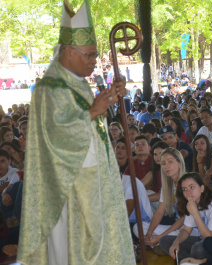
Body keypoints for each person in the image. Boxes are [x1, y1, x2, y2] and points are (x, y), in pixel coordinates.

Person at [18, 1, 135, 263]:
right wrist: (94, 111)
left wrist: (110, 101)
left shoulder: (78, 84)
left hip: (95, 176)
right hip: (70, 185)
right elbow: (56, 136)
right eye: (90, 55)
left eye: (95, 55)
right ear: (69, 52)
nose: (95, 61)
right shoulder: (48, 88)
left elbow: (90, 125)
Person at [160, 172, 212, 263]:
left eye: (192, 187)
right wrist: (176, 242)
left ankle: (192, 260)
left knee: (197, 250)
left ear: (201, 188)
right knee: (165, 241)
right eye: (184, 189)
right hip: (203, 240)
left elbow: (211, 239)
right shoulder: (192, 202)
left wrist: (195, 213)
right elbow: (186, 230)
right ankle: (187, 261)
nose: (188, 192)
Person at [134, 148, 187, 251]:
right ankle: (155, 242)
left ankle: (158, 242)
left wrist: (159, 236)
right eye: (163, 163)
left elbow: (184, 219)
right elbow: (159, 212)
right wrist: (149, 234)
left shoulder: (188, 183)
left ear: (180, 163)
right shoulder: (168, 185)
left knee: (166, 236)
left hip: (188, 230)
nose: (166, 166)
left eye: (170, 162)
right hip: (176, 228)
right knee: (138, 227)